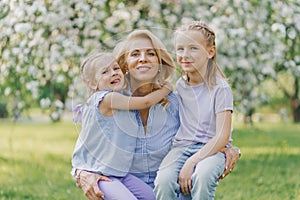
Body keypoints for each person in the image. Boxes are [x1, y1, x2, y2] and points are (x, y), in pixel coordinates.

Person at [73, 29, 240, 200]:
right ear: (124, 65)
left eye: (151, 53)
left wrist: (228, 149)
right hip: (125, 190)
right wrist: (82, 173)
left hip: (171, 192)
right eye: (135, 54)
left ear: (160, 62)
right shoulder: (110, 104)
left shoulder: (176, 102)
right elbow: (86, 150)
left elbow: (204, 132)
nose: (143, 58)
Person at [71, 52, 173, 200]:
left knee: (152, 197)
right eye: (105, 72)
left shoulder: (121, 95)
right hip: (99, 173)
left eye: (116, 68)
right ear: (92, 83)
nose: (113, 73)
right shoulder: (107, 99)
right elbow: (145, 102)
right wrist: (166, 89)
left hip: (119, 173)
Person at [154, 21, 234, 200]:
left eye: (193, 48)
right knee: (163, 182)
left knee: (203, 176)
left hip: (213, 149)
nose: (185, 55)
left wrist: (192, 161)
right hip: (181, 147)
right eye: (180, 49)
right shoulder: (181, 85)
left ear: (210, 52)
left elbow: (222, 136)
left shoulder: (221, 89)